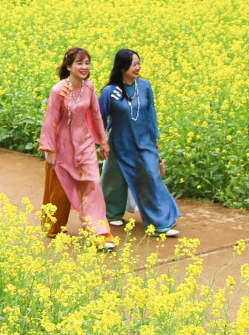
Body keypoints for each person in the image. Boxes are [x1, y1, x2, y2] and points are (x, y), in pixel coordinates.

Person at [99, 49, 183, 238]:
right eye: (133, 64)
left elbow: (150, 114)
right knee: (114, 179)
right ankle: (111, 213)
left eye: (138, 63)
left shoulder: (144, 86)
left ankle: (160, 222)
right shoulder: (110, 91)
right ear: (122, 67)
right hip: (120, 142)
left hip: (144, 141)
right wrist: (101, 141)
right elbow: (99, 118)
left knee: (151, 177)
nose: (137, 67)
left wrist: (155, 138)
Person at [39, 46, 113, 251]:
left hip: (85, 145)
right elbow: (51, 120)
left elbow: (97, 115)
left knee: (94, 186)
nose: (84, 67)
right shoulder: (58, 90)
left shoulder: (89, 88)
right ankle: (53, 227)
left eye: (87, 63)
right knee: (61, 189)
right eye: (79, 63)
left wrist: (103, 141)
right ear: (69, 66)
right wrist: (50, 150)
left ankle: (99, 233)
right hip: (63, 147)